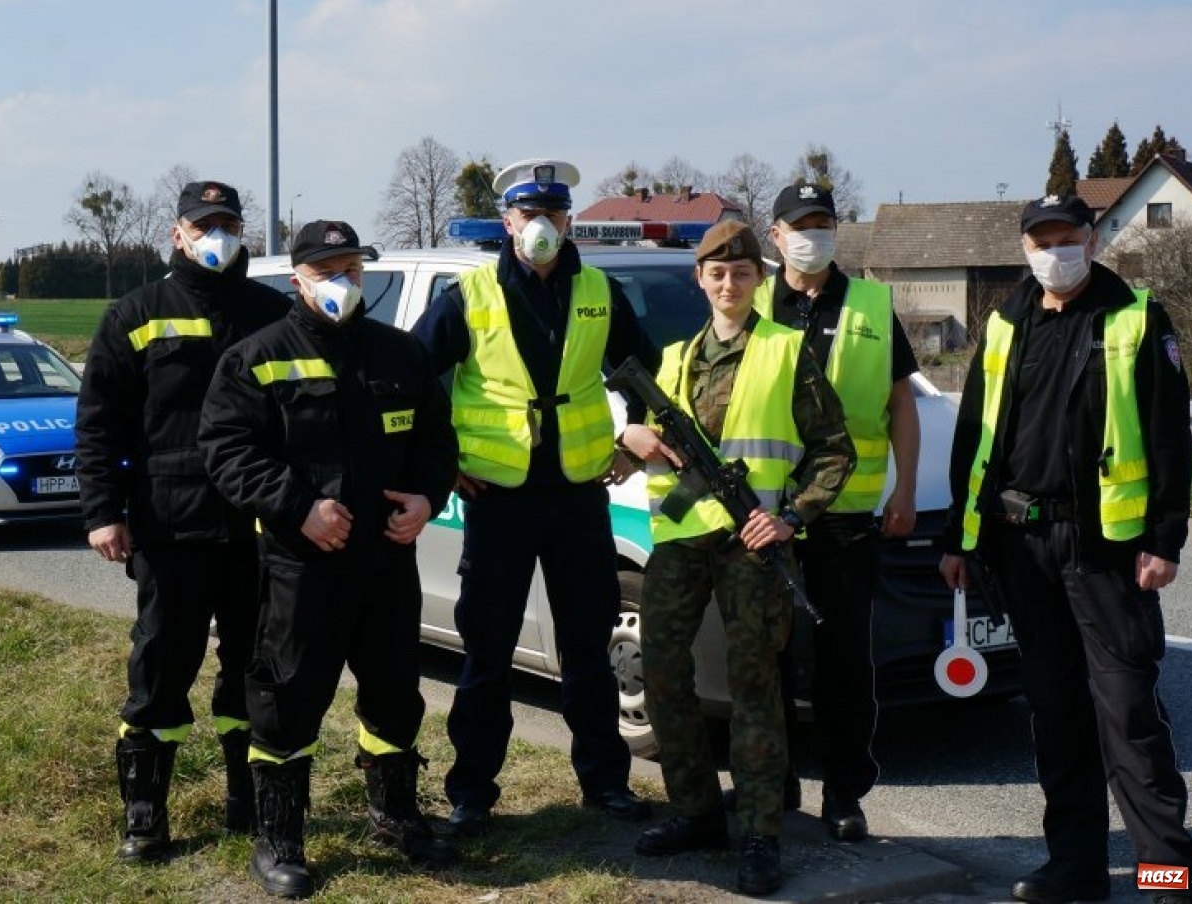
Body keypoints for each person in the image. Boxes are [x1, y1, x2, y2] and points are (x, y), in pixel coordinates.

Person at [941, 193, 1192, 904]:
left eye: (1066, 238)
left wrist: (1164, 537)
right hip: (1021, 545)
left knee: (1127, 713)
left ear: (1091, 240)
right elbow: (976, 438)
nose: (1054, 252)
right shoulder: (1004, 321)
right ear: (1025, 247)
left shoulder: (1135, 316)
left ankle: (1169, 873)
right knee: (1055, 714)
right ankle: (1077, 866)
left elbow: (1170, 437)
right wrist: (960, 539)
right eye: (1041, 240)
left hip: (1107, 551)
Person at [201, 220, 460, 899]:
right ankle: (279, 839)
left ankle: (395, 815)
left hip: (386, 564)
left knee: (395, 695)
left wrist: (427, 498)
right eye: (328, 272)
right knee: (287, 701)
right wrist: (297, 506)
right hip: (299, 567)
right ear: (299, 281)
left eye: (352, 268)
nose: (343, 282)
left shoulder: (401, 354)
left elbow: (438, 436)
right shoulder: (256, 358)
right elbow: (226, 450)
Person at [411, 158, 659, 835]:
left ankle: (606, 785)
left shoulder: (600, 291)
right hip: (498, 499)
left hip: (578, 495)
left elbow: (643, 368)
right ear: (508, 223)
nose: (542, 226)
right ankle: (471, 793)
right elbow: (414, 374)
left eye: (554, 214)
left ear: (568, 221)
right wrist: (444, 462)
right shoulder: (471, 295)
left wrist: (625, 433)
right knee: (487, 651)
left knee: (587, 649)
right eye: (529, 215)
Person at [619, 220, 855, 897]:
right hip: (679, 538)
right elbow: (627, 458)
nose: (729, 284)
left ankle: (758, 831)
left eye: (742, 273)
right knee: (660, 673)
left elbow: (835, 450)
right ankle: (695, 812)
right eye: (717, 274)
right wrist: (628, 435)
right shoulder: (669, 360)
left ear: (760, 279)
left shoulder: (786, 350)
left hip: (753, 542)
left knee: (754, 686)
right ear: (700, 280)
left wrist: (790, 519)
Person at [75, 180, 291, 863]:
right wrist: (103, 512)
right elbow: (98, 423)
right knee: (163, 664)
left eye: (228, 222)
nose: (217, 234)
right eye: (204, 224)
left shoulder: (272, 312)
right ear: (178, 234)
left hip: (257, 524)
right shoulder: (135, 314)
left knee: (254, 668)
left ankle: (246, 798)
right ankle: (146, 813)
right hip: (172, 525)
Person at [757, 181, 921, 841]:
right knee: (764, 657)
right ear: (776, 236)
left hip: (848, 517)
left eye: (823, 223)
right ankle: (777, 784)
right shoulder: (752, 302)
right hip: (765, 511)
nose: (812, 234)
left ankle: (845, 797)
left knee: (844, 663)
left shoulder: (874, 305)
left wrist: (905, 488)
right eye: (800, 224)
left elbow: (901, 404)